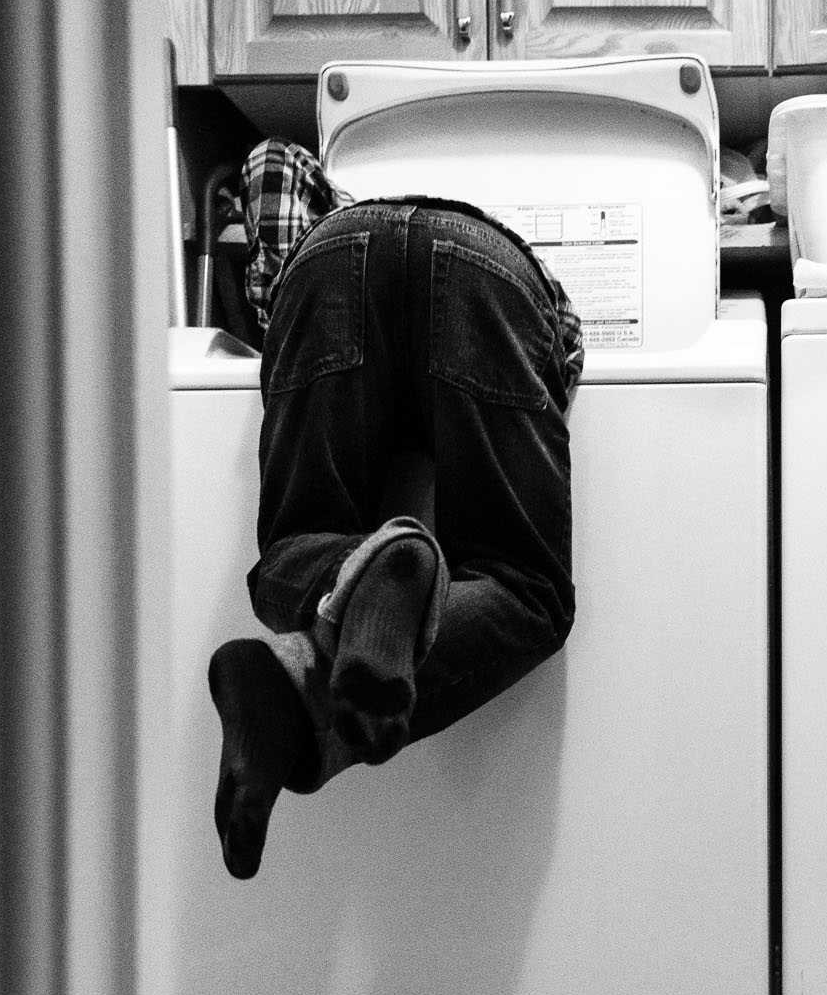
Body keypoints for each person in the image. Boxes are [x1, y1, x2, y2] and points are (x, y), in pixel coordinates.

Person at [206, 140, 584, 879]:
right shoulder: (520, 260)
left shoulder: (319, 205)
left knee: (290, 551)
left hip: (328, 262)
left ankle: (322, 638)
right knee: (527, 589)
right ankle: (336, 664)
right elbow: (562, 346)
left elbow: (267, 159)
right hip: (492, 275)